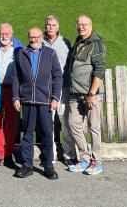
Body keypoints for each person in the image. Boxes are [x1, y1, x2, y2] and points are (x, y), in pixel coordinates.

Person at [12, 27, 62, 180]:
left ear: (42, 37)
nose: (33, 39)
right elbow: (16, 77)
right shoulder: (21, 54)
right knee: (27, 135)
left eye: (36, 36)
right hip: (27, 101)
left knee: (47, 133)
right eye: (31, 36)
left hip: (45, 100)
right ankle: (27, 166)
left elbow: (57, 76)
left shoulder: (50, 54)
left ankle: (48, 166)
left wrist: (55, 98)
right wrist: (15, 97)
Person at [68, 15, 106, 175]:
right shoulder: (78, 41)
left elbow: (100, 69)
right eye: (79, 24)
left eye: (84, 24)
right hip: (75, 93)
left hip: (90, 95)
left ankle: (97, 161)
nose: (81, 27)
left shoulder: (96, 44)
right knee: (73, 124)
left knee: (94, 128)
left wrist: (92, 93)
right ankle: (84, 158)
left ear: (90, 25)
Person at [0, 23, 24, 169]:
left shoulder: (18, 47)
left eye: (7, 33)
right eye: (2, 33)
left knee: (11, 121)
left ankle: (9, 151)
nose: (4, 36)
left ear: (11, 34)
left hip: (12, 89)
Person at [41, 15, 76, 166]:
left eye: (53, 25)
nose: (50, 27)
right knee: (48, 123)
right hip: (45, 89)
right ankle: (50, 155)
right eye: (48, 25)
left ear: (58, 27)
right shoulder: (40, 42)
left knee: (66, 121)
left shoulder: (65, 42)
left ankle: (69, 155)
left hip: (63, 87)